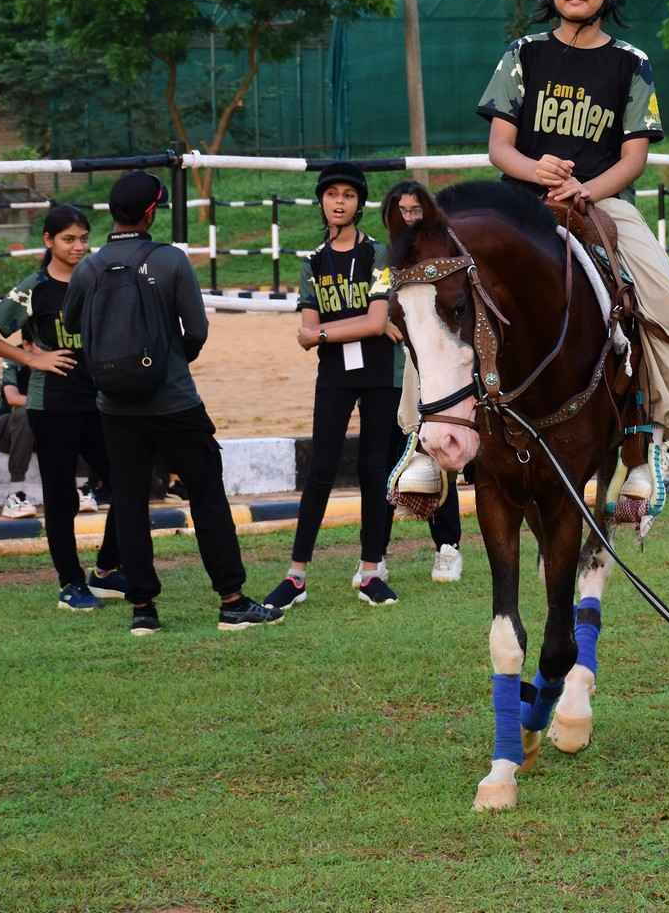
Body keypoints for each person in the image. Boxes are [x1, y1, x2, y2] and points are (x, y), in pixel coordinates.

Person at [390, 0, 669, 515]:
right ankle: (417, 442)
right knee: (432, 290)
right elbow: (499, 148)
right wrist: (536, 170)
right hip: (517, 202)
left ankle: (654, 439)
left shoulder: (631, 63)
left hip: (599, 201)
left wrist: (583, 189)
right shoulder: (521, 54)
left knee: (666, 302)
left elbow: (634, 157)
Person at [61, 172, 280, 635]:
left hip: (114, 404)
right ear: (150, 212)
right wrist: (171, 361)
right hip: (174, 400)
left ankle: (143, 608)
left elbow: (73, 321)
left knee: (129, 501)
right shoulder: (170, 260)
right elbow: (196, 330)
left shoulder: (89, 268)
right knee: (207, 494)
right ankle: (232, 600)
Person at [0, 205, 124, 612]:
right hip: (52, 405)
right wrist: (32, 359)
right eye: (68, 239)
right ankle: (70, 584)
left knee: (127, 484)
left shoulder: (98, 279)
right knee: (61, 498)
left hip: (102, 400)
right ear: (48, 241)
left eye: (83, 238)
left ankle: (106, 571)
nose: (78, 247)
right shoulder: (34, 288)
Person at [264, 162, 403, 612]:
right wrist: (354, 326)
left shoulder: (379, 254)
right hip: (335, 375)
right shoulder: (312, 262)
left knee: (374, 468)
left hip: (380, 373)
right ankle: (296, 575)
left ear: (360, 203)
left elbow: (371, 323)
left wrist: (326, 331)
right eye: (331, 194)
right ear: (321, 201)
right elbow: (308, 333)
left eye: (348, 195)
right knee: (321, 467)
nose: (339, 202)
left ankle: (370, 571)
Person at [381, 180, 463, 581]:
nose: (409, 217)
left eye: (416, 210)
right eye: (402, 210)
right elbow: (376, 303)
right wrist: (380, 320)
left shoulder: (441, 255)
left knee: (439, 454)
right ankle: (375, 554)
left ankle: (448, 546)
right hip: (388, 374)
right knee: (387, 460)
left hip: (434, 371)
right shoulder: (385, 258)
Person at [0, 359, 36, 518]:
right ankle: (15, 495)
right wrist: (53, 402)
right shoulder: (13, 360)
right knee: (24, 413)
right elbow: (13, 398)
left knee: (79, 410)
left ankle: (82, 489)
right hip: (6, 430)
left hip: (41, 429)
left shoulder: (60, 356)